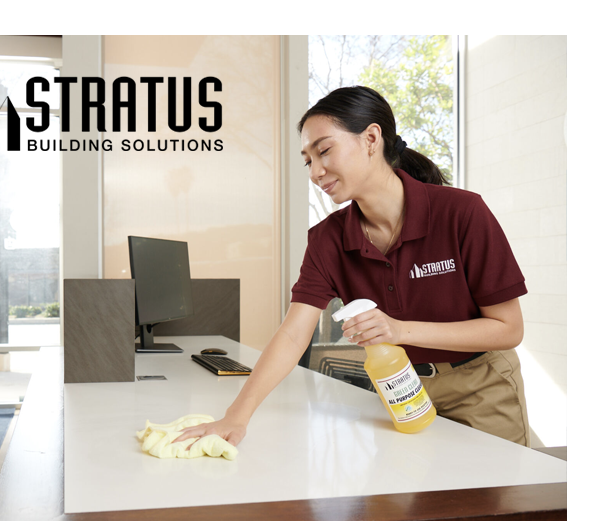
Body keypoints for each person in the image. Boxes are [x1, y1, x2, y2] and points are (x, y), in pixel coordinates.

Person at [175, 85, 530, 448]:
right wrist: (237, 416)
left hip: (480, 385)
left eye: (324, 150)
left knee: (497, 499)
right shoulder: (327, 240)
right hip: (398, 392)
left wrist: (399, 331)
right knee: (409, 501)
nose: (315, 171)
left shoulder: (462, 213)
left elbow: (508, 329)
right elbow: (293, 335)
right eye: (308, 160)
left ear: (371, 138)